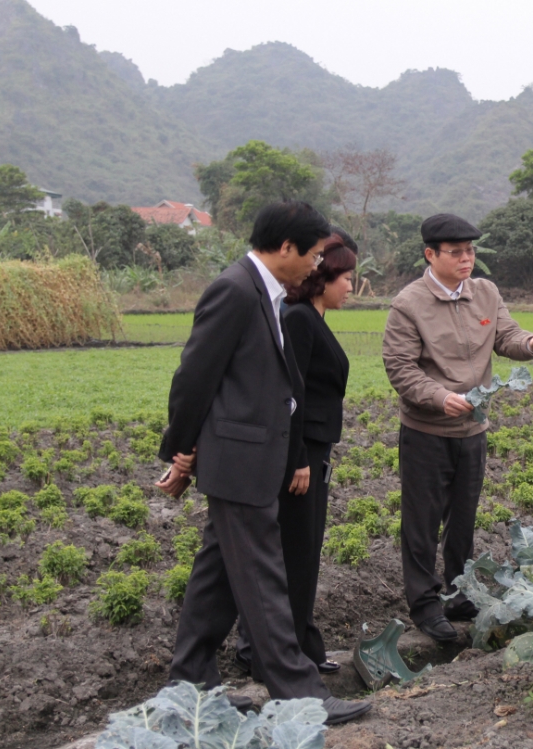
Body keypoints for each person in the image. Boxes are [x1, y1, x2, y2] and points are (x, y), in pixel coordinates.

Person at [156, 201, 370, 725]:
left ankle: (190, 684)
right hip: (239, 461)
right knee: (263, 578)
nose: (318, 267)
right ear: (286, 248)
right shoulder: (235, 290)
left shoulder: (267, 294)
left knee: (219, 577)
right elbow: (194, 377)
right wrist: (179, 451)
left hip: (251, 458)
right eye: (315, 255)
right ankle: (300, 693)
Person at [382, 213, 533, 642]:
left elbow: (507, 336)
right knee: (421, 523)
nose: (467, 259)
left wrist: (530, 344)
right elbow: (400, 367)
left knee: (463, 520)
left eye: (471, 251)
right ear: (431, 254)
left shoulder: (486, 293)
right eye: (456, 252)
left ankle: (460, 594)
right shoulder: (409, 304)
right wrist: (439, 397)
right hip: (427, 430)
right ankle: (425, 604)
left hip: (472, 432)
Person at [235, 228, 357, 678]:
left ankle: (299, 646)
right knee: (295, 553)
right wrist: (300, 456)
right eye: (345, 276)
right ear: (321, 277)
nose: (350, 285)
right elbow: (293, 392)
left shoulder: (313, 318)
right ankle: (280, 650)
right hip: (302, 454)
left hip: (317, 449)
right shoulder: (300, 318)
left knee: (305, 552)